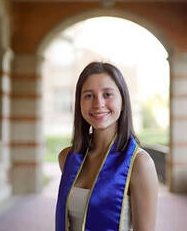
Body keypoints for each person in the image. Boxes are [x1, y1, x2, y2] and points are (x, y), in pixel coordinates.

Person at [56, 61, 158, 231]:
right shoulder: (67, 158)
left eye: (107, 94)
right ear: (79, 102)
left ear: (123, 100)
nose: (98, 104)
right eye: (89, 95)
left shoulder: (139, 164)